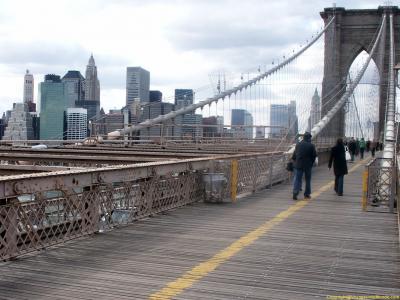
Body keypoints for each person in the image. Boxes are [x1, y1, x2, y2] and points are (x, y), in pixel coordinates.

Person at [291, 132, 317, 200]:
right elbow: (314, 156)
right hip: (308, 165)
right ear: (309, 138)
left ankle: (295, 193)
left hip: (299, 164)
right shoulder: (311, 145)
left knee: (298, 179)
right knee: (308, 180)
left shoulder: (298, 144)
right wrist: (312, 163)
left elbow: (294, 155)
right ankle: (307, 194)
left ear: (303, 137)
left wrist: (294, 161)